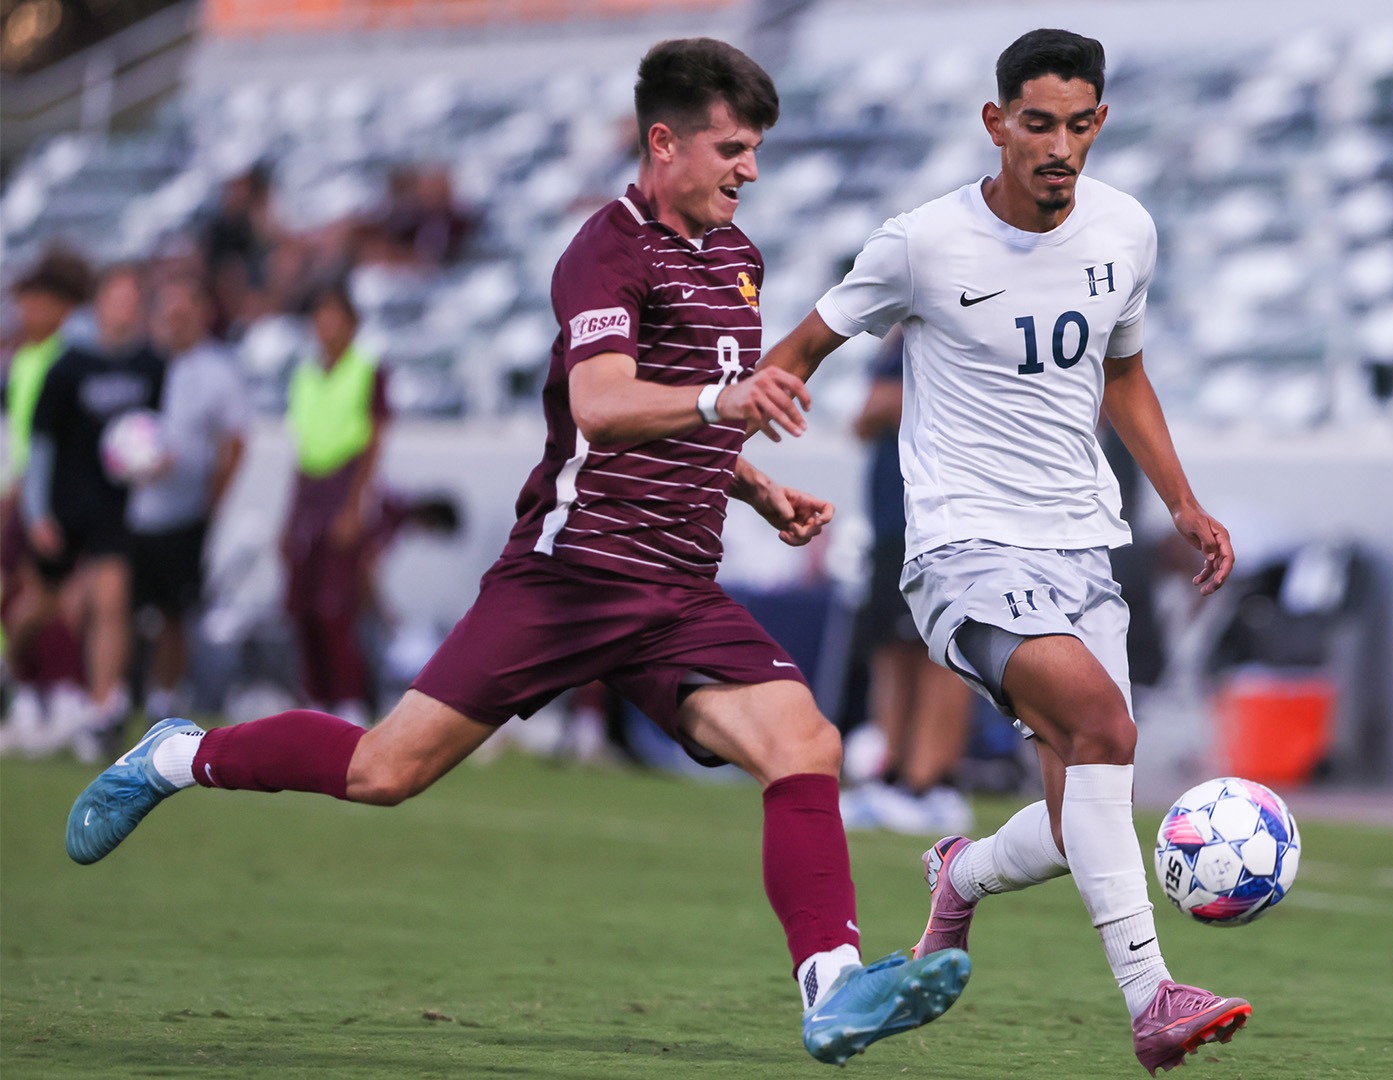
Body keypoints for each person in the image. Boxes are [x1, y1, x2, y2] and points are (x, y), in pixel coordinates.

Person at [64, 37, 967, 1066]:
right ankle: (179, 753)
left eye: (756, 150)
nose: (749, 170)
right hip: (570, 574)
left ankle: (833, 991)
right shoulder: (605, 249)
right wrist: (726, 401)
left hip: (676, 587)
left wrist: (753, 486)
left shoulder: (738, 257)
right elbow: (602, 403)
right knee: (383, 772)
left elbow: (692, 412)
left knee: (804, 743)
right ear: (663, 142)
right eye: (732, 148)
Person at [761, 29, 1248, 1075]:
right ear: (997, 125)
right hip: (963, 550)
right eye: (1037, 124)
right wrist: (753, 466)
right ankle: (1154, 1001)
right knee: (1104, 725)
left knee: (1088, 823)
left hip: (1085, 546)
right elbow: (799, 352)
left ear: (1100, 125)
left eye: (1078, 125)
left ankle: (962, 874)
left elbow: (1124, 374)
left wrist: (1182, 502)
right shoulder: (921, 243)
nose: (1057, 146)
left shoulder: (1126, 230)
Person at [13, 263, 167, 758]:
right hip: (62, 509)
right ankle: (10, 672)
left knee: (112, 602)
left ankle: (104, 713)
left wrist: (157, 461)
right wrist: (37, 515)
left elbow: (157, 432)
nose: (124, 308)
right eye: (115, 298)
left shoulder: (150, 364)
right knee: (34, 608)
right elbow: (40, 447)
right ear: (99, 304)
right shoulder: (68, 366)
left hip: (113, 511)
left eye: (132, 299)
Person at [840, 327, 977, 835]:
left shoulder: (951, 327)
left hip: (941, 516)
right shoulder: (901, 337)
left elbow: (878, 409)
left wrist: (896, 402)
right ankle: (894, 773)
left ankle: (931, 781)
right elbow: (866, 418)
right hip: (892, 517)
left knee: (941, 649)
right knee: (890, 647)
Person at [127, 275, 250, 719]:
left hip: (182, 511)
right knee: (122, 602)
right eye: (167, 315)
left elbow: (234, 440)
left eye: (182, 314)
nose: (173, 324)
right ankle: (116, 692)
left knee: (174, 609)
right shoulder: (143, 364)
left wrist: (211, 500)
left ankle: (166, 692)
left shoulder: (215, 371)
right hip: (132, 508)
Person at [0, 248, 93, 753]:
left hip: (54, 498)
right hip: (22, 492)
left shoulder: (70, 358)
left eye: (34, 302)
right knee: (18, 596)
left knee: (50, 599)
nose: (24, 313)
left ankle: (65, 695)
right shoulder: (22, 360)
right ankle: (32, 694)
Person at [281, 282, 387, 727]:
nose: (325, 327)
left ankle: (350, 700)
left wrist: (354, 506)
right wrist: (289, 517)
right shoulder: (305, 375)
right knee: (301, 605)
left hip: (344, 485)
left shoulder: (367, 372)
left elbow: (373, 440)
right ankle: (317, 696)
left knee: (336, 607)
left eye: (334, 317)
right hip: (310, 491)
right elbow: (303, 449)